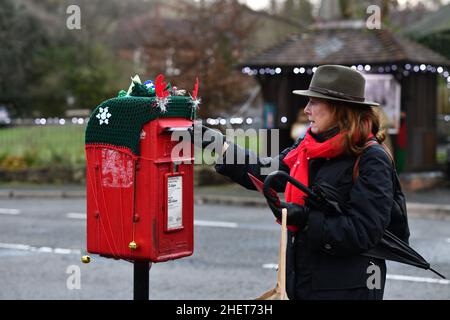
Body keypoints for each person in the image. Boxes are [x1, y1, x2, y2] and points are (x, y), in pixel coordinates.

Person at [194, 65, 405, 300]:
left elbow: (364, 232)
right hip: (303, 282)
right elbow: (266, 171)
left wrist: (306, 218)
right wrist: (215, 143)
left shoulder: (371, 158)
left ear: (340, 109)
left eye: (314, 102)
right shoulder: (307, 147)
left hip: (347, 289)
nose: (306, 110)